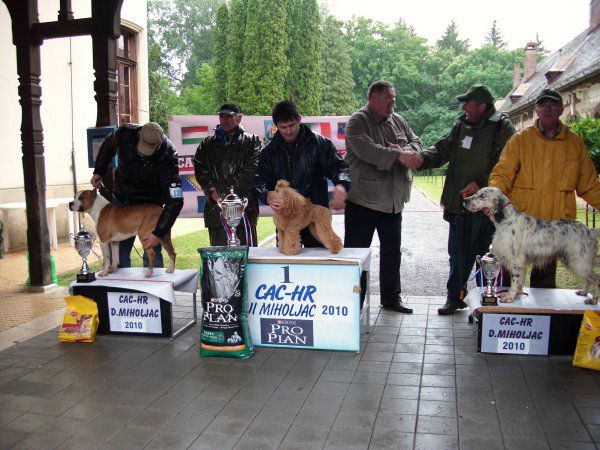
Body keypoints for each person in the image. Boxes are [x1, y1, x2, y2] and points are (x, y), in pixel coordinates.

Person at [418, 85, 515, 315]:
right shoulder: (461, 125)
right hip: (459, 204)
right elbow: (442, 149)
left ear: (482, 106)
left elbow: (506, 165)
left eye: (468, 104)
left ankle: (490, 302)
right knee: (457, 254)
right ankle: (455, 297)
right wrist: (420, 158)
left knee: (488, 256)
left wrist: (481, 185)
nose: (463, 108)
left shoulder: (502, 127)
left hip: (486, 209)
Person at [489, 87, 600, 288]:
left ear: (561, 109)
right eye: (542, 105)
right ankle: (507, 314)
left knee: (545, 285)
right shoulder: (519, 140)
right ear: (536, 111)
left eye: (553, 104)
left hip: (553, 228)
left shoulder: (575, 143)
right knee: (509, 276)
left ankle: (545, 317)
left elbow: (590, 184)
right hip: (520, 225)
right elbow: (501, 174)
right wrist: (493, 198)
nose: (548, 109)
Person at [344, 80, 423, 314]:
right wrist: (399, 153)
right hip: (363, 202)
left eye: (393, 97)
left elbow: (417, 142)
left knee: (392, 253)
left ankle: (391, 299)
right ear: (373, 97)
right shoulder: (357, 122)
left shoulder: (398, 120)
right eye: (388, 97)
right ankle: (353, 303)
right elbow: (367, 150)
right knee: (357, 255)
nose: (393, 101)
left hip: (393, 202)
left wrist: (410, 151)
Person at [254, 99, 350, 248]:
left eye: (292, 125)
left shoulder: (320, 144)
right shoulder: (269, 152)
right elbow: (259, 180)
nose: (288, 130)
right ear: (276, 126)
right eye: (283, 127)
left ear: (299, 118)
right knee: (287, 260)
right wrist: (267, 195)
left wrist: (342, 185)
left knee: (318, 265)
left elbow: (339, 167)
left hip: (314, 212)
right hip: (285, 217)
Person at [91, 122, 183, 268]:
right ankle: (120, 288)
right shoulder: (124, 133)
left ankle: (153, 288)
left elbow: (175, 200)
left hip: (150, 207)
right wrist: (99, 171)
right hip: (123, 202)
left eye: (151, 149)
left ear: (159, 144)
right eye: (144, 146)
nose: (145, 153)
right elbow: (108, 146)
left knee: (152, 254)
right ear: (139, 134)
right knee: (118, 255)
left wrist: (158, 233)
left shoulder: (169, 154)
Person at [193, 103, 261, 246]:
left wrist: (225, 194)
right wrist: (211, 189)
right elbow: (200, 169)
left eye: (229, 116)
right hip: (216, 210)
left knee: (247, 258)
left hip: (244, 210)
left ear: (239, 118)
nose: (225, 119)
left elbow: (251, 171)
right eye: (222, 116)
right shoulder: (206, 144)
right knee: (220, 261)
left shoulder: (253, 141)